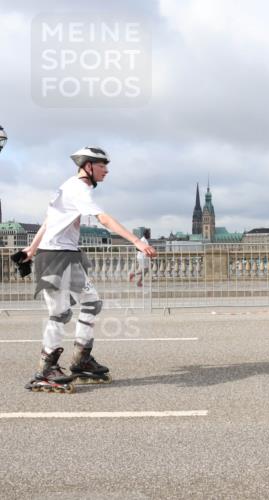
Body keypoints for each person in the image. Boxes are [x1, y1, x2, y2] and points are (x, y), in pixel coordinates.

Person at [23, 146, 157, 393]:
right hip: (54, 257)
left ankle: (81, 359)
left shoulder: (67, 187)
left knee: (91, 302)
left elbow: (49, 221)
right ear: (88, 166)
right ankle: (45, 369)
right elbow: (103, 219)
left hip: (68, 256)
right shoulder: (78, 189)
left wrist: (30, 250)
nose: (106, 170)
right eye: (102, 165)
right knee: (60, 313)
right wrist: (136, 241)